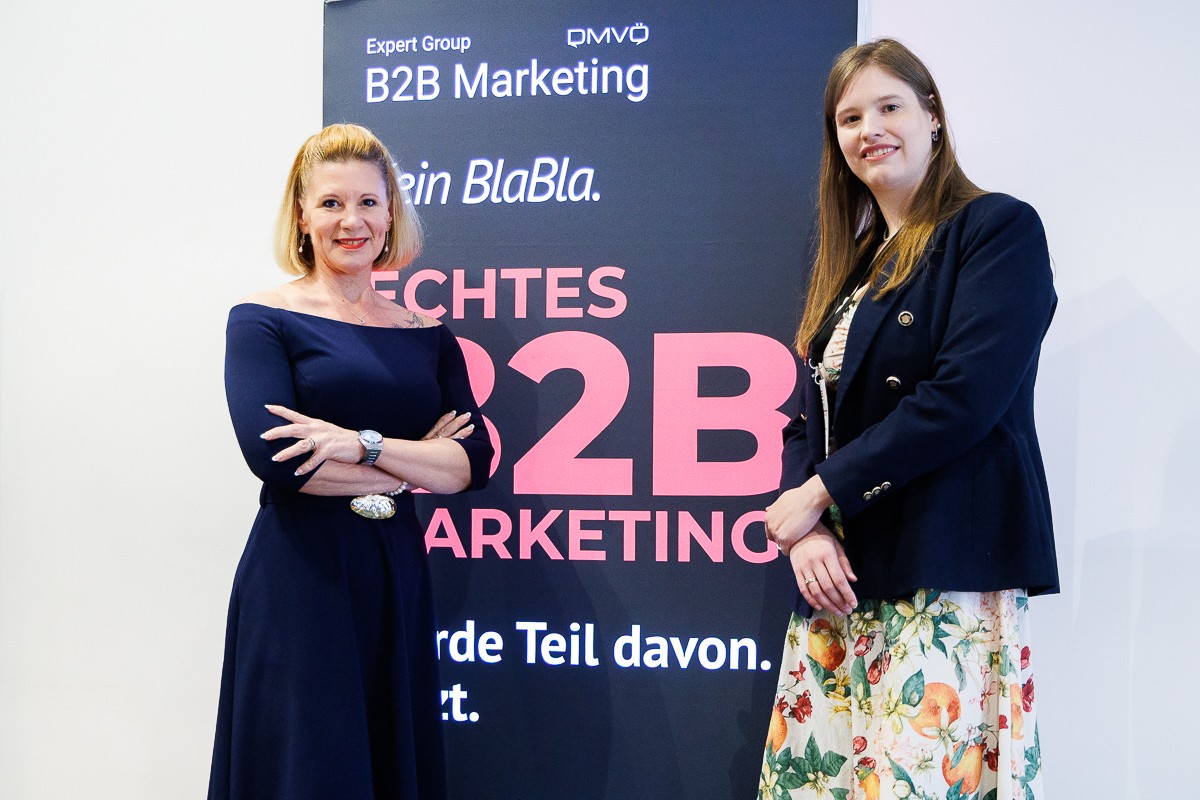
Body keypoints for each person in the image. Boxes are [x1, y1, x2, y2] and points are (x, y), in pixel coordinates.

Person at [759, 39, 1054, 799]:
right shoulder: (854, 265)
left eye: (889, 106)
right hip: (838, 582)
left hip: (941, 568)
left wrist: (819, 493)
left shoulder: (996, 229)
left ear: (933, 117)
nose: (870, 130)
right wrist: (808, 530)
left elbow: (965, 397)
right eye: (850, 117)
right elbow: (805, 421)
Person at [208, 123, 493, 800]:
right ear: (302, 215)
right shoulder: (261, 319)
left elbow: (473, 463)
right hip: (300, 577)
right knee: (308, 767)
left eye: (368, 202)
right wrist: (415, 465)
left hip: (395, 573)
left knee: (390, 761)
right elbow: (279, 459)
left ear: (390, 215)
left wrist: (362, 444)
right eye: (332, 203)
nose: (351, 221)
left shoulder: (428, 334)